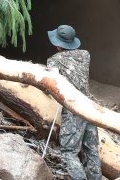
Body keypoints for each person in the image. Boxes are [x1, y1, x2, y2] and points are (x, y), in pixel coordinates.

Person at [47, 24, 101, 180]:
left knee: (69, 152)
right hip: (89, 107)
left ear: (58, 44)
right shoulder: (85, 55)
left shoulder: (54, 60)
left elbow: (53, 82)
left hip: (73, 109)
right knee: (91, 149)